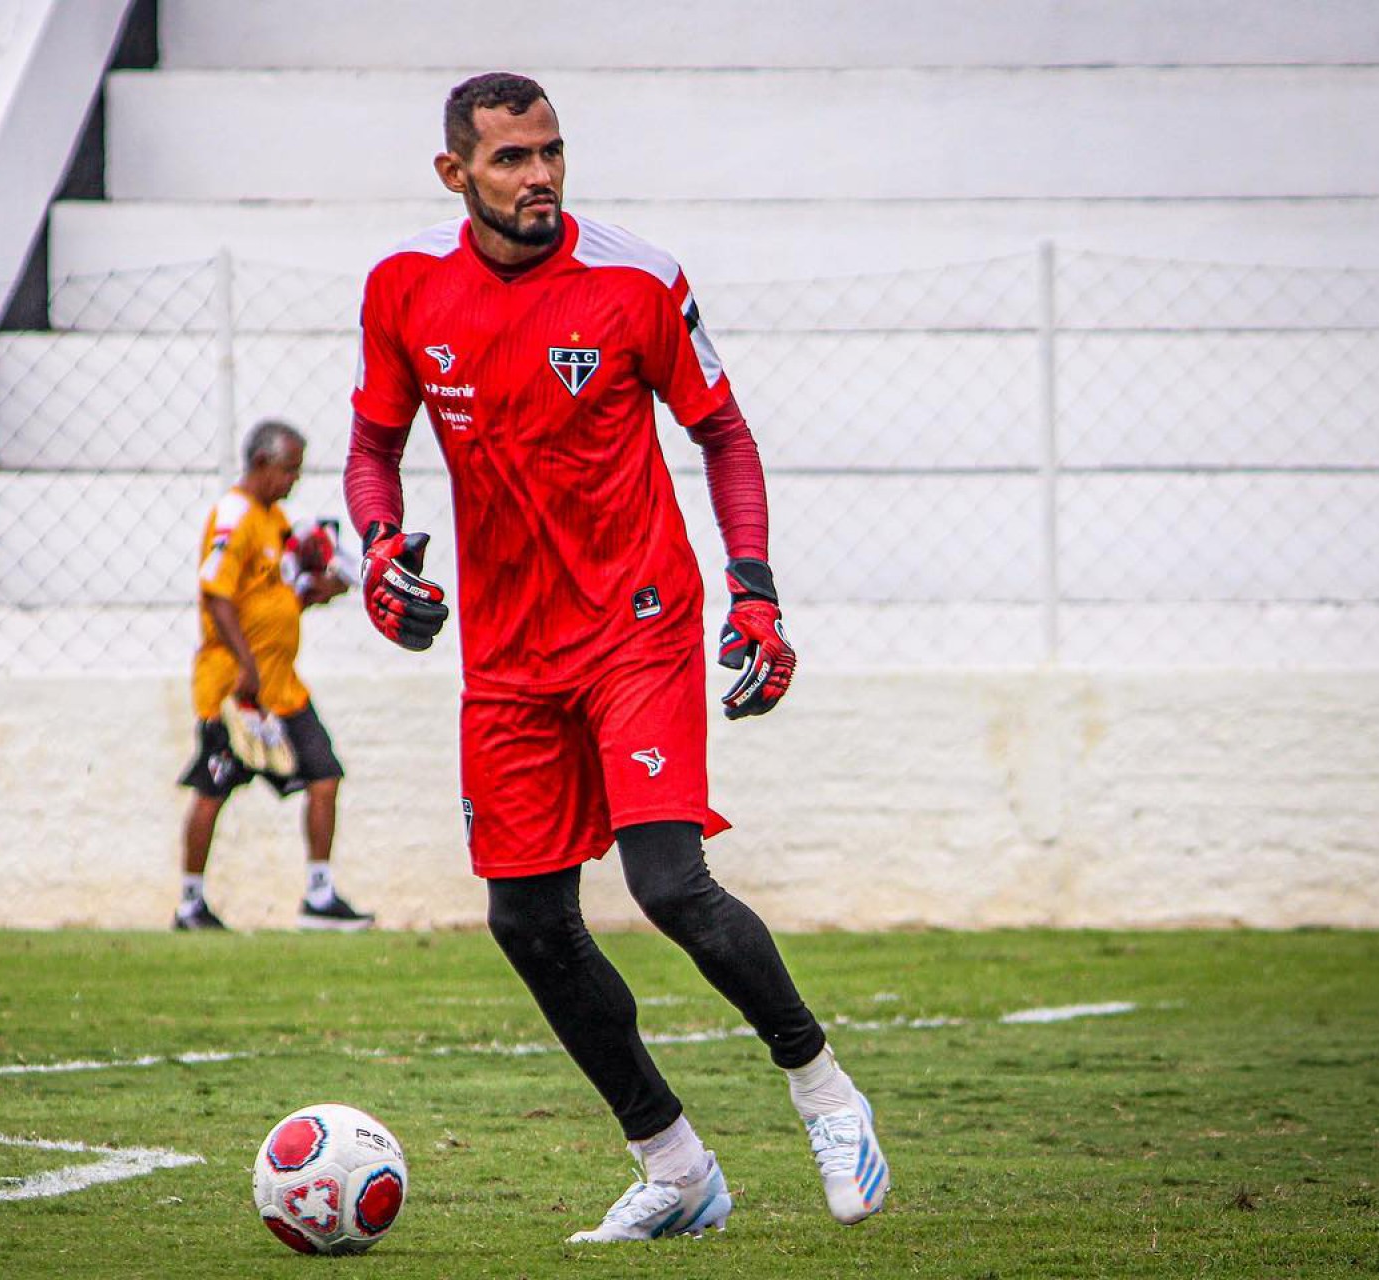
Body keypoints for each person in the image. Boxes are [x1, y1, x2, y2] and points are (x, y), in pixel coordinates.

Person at [343, 73, 889, 1241]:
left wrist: (756, 594)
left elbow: (724, 433)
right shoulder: (401, 287)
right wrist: (381, 552)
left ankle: (825, 1091)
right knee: (529, 924)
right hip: (506, 650)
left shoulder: (637, 276)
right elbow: (372, 450)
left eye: (550, 151)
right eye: (509, 159)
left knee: (669, 884)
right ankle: (675, 1162)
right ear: (456, 175)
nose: (538, 175)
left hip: (638, 619)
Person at [176, 419, 374, 932]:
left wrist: (319, 591)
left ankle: (320, 897)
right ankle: (190, 904)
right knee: (212, 788)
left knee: (325, 776)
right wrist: (245, 666)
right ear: (262, 464)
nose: (294, 480)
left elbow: (276, 596)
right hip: (236, 688)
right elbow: (216, 596)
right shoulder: (234, 517)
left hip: (282, 688)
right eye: (290, 469)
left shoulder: (275, 521)